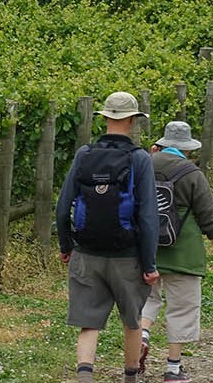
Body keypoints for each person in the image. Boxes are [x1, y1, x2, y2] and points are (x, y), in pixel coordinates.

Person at [57, 91, 160, 383]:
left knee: (89, 324)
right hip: (127, 255)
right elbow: (149, 216)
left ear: (105, 119)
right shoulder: (139, 159)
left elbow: (63, 206)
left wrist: (67, 246)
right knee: (132, 321)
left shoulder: (84, 155)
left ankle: (85, 378)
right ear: (131, 120)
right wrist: (149, 264)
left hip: (86, 252)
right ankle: (130, 378)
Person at [138, 122, 213, 383]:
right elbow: (208, 219)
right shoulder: (192, 174)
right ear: (187, 148)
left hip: (146, 250)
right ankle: (173, 369)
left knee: (148, 299)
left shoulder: (143, 166)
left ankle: (143, 337)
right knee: (182, 309)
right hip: (184, 251)